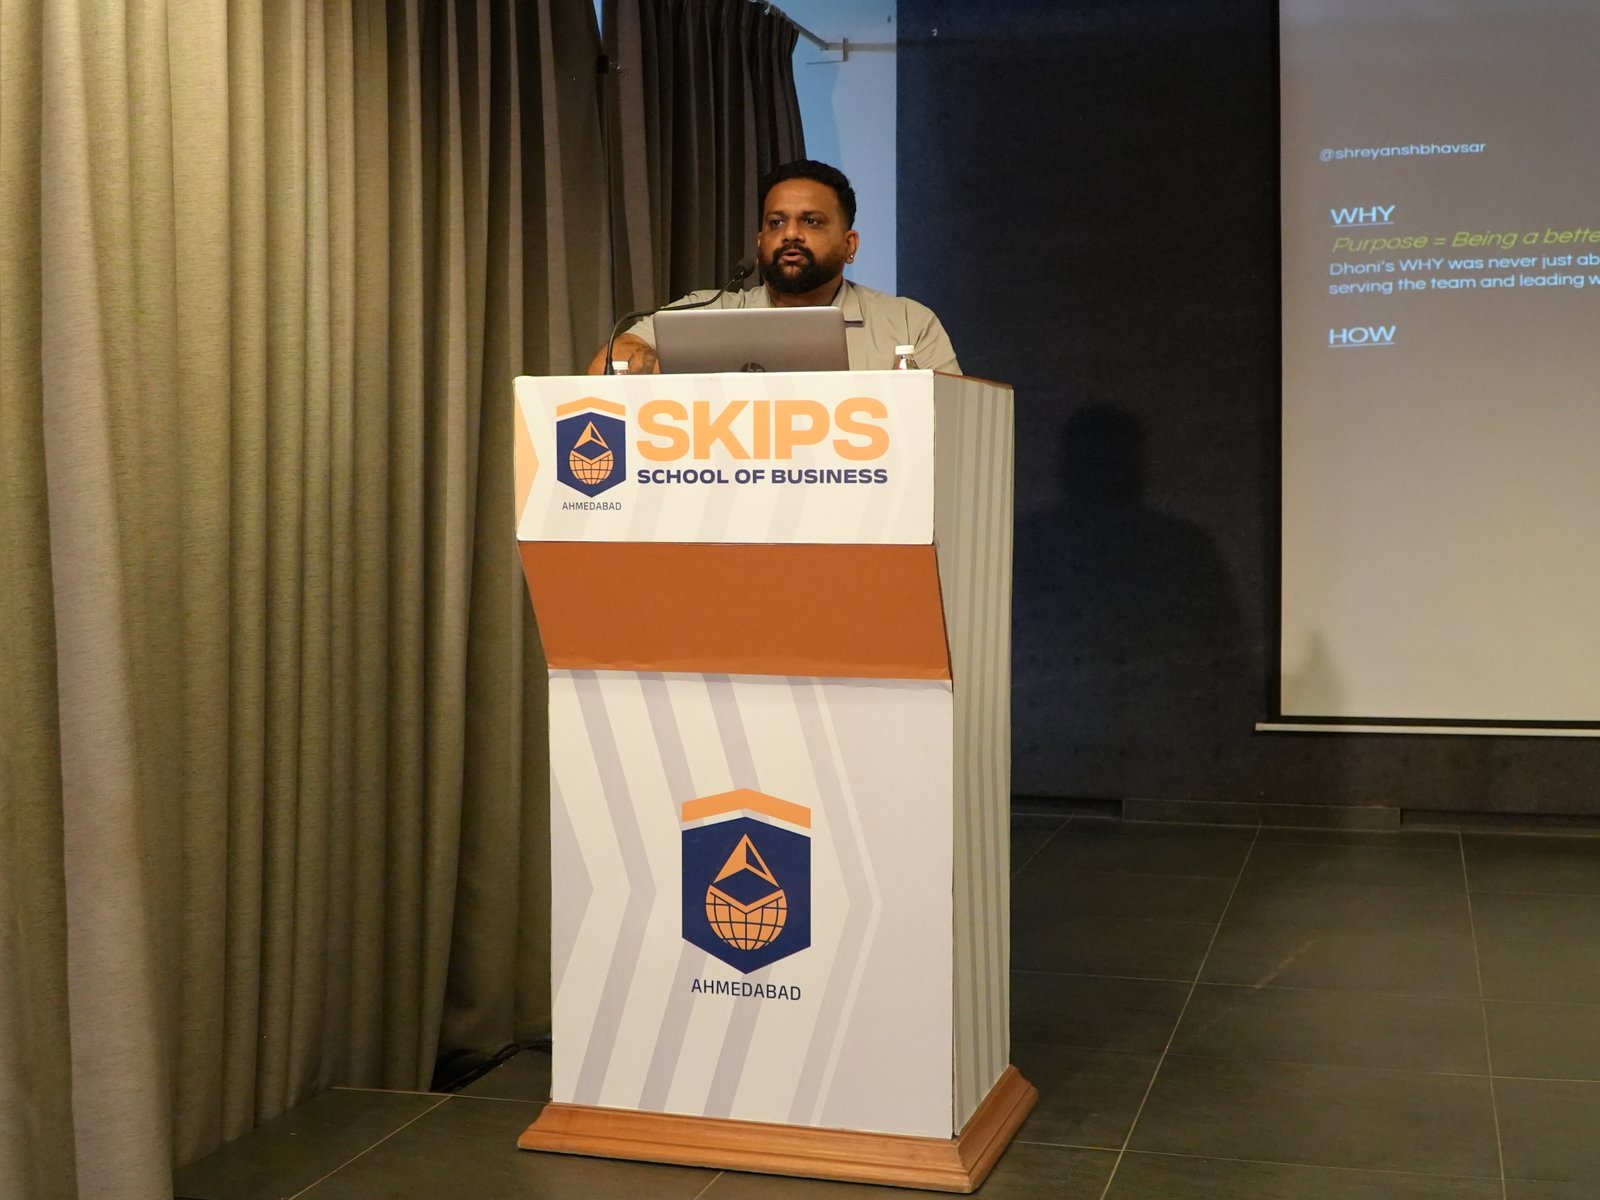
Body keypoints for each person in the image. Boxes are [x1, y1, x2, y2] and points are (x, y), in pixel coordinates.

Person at [588, 159, 960, 375]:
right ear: (760, 240)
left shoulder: (907, 323)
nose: (790, 234)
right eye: (776, 223)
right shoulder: (708, 311)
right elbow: (607, 364)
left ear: (850, 245)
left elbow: (950, 418)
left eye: (811, 221)